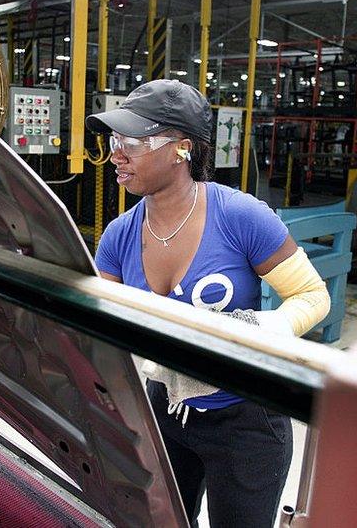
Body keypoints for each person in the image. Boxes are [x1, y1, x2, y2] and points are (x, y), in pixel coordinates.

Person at [86, 79, 330, 528]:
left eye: (134, 141)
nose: (117, 153)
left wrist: (257, 330)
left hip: (246, 418)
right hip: (165, 408)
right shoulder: (119, 235)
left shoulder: (239, 216)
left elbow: (313, 297)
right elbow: (102, 325)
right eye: (115, 140)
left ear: (182, 149)